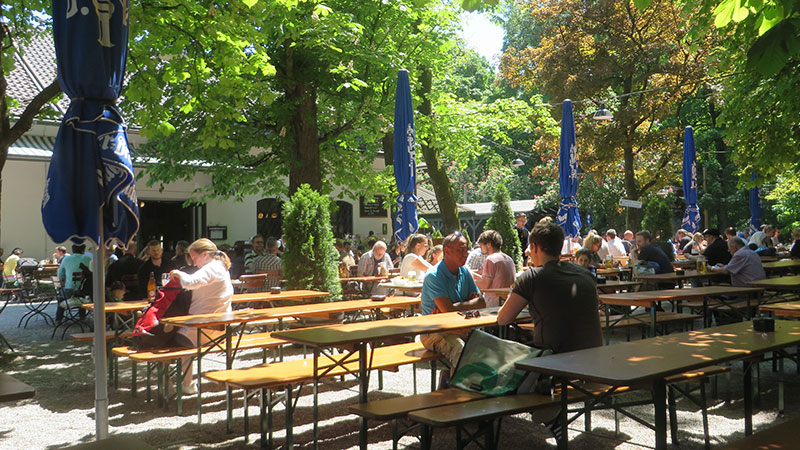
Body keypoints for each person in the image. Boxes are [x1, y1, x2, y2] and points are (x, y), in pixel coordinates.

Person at [498, 220, 603, 354]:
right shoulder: (585, 274)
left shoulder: (532, 277)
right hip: (593, 356)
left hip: (555, 362)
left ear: (534, 247)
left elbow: (503, 319)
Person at [169, 238, 234, 394]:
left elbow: (191, 283)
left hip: (202, 328)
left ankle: (178, 383)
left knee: (165, 339)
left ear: (205, 254)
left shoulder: (211, 268)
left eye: (195, 258)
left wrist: (178, 273)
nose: (194, 263)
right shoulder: (221, 268)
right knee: (176, 336)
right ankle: (186, 383)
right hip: (219, 327)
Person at [420, 232, 484, 375]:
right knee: (461, 352)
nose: (466, 253)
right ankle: (458, 393)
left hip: (462, 327)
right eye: (461, 249)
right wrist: (468, 303)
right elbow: (448, 311)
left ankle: (448, 381)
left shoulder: (464, 271)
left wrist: (455, 307)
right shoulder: (434, 276)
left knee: (490, 346)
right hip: (434, 332)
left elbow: (482, 301)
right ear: (447, 251)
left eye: (466, 249)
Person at [471, 230, 516, 308]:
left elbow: (484, 286)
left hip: (493, 303)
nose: (480, 248)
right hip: (508, 301)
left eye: (481, 245)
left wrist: (470, 276)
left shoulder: (491, 259)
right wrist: (473, 273)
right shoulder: (509, 259)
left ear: (488, 244)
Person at [56, 244, 93, 323]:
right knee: (81, 290)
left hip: (68, 291)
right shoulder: (88, 258)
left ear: (72, 250)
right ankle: (82, 316)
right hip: (83, 291)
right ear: (83, 250)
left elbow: (60, 275)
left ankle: (58, 318)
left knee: (61, 297)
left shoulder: (66, 259)